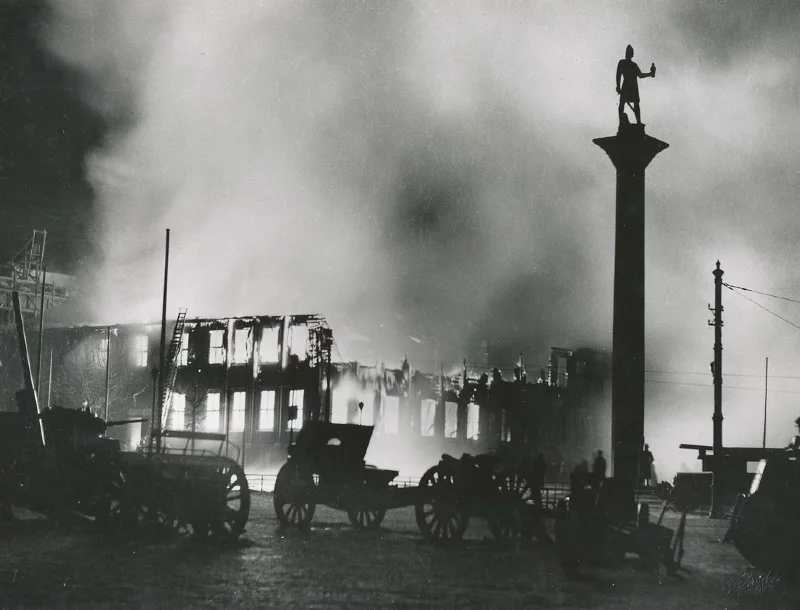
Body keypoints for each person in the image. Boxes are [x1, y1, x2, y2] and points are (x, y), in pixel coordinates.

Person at [616, 44, 656, 125]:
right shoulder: (622, 62)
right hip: (627, 86)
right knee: (622, 104)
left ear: (631, 54)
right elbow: (618, 75)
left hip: (632, 87)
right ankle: (622, 123)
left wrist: (650, 74)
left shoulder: (634, 65)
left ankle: (638, 122)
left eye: (629, 52)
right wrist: (618, 86)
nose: (628, 53)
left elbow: (640, 75)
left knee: (635, 103)